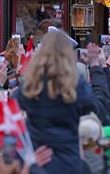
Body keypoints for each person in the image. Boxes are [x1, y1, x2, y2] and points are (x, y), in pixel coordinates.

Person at [17, 31, 95, 174]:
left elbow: (13, 107)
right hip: (70, 162)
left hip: (40, 161)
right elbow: (92, 107)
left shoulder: (31, 85)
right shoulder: (77, 85)